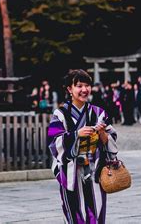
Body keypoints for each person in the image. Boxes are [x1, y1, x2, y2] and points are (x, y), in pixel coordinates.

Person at [48, 69, 118, 224]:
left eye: (87, 85)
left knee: (96, 212)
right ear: (69, 89)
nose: (84, 90)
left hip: (95, 171)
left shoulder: (98, 113)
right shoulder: (60, 114)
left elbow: (112, 140)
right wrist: (76, 134)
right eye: (79, 86)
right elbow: (54, 142)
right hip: (71, 171)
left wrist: (103, 134)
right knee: (74, 214)